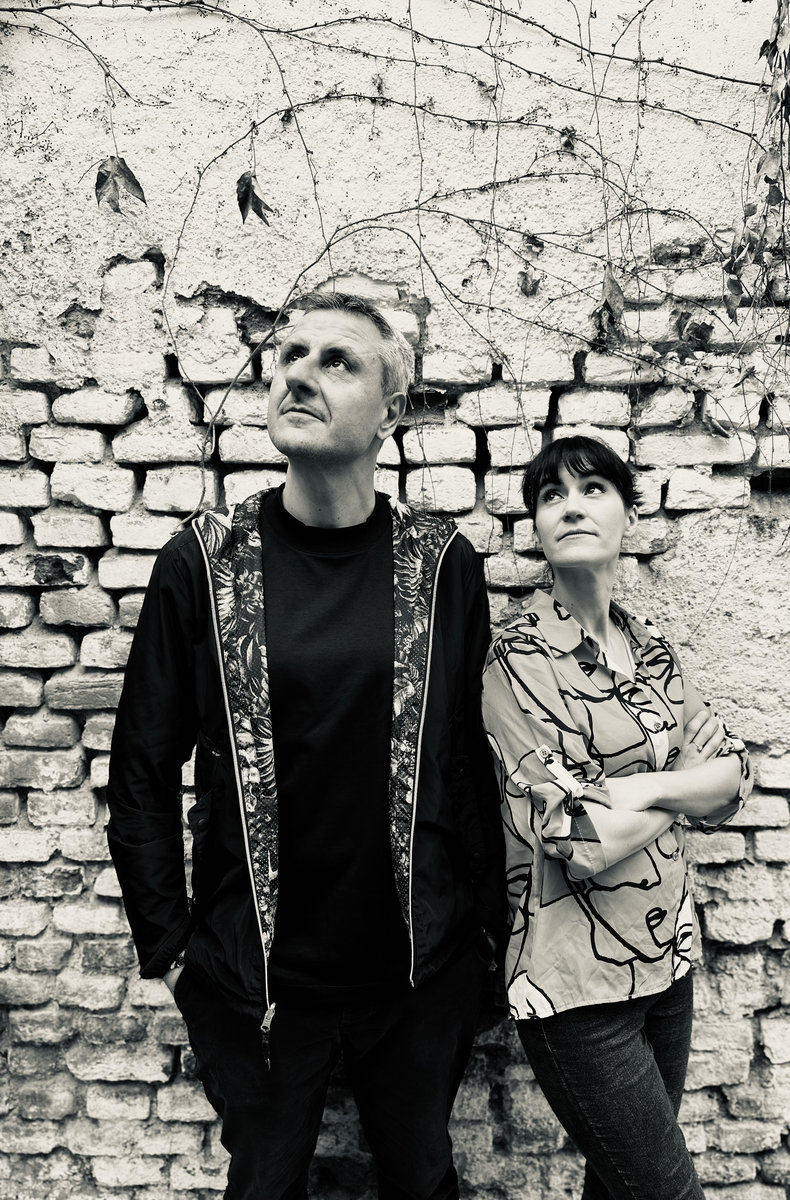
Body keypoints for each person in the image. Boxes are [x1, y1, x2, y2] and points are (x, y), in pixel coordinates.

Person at [106, 291, 507, 1200]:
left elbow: (468, 761)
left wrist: (488, 936)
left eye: (337, 361)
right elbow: (141, 767)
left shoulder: (442, 563)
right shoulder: (205, 561)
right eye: (289, 355)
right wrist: (172, 950)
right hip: (252, 986)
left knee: (423, 1182)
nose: (299, 374)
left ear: (391, 411)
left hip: (419, 978)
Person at [481, 435, 753, 1200]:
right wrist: (677, 784)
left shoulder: (650, 646)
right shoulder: (517, 659)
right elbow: (576, 839)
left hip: (668, 964)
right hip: (575, 991)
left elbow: (733, 781)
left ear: (628, 514)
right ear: (537, 527)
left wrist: (632, 791)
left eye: (593, 488)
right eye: (551, 495)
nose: (570, 506)